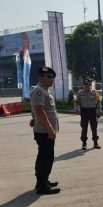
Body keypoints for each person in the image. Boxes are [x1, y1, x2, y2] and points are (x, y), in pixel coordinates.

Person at [30, 66, 60, 195]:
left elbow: (37, 109)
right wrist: (50, 130)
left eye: (52, 77)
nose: (51, 79)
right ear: (40, 77)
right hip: (44, 131)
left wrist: (33, 119)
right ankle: (43, 186)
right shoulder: (39, 91)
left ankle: (42, 181)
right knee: (46, 157)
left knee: (43, 156)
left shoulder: (45, 90)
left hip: (43, 130)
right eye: (48, 76)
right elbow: (39, 110)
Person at [75, 77, 102, 150]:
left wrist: (99, 111)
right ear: (83, 85)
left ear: (90, 85)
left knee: (94, 128)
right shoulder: (80, 92)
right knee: (84, 128)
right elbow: (77, 102)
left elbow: (99, 102)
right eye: (85, 84)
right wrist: (76, 109)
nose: (87, 86)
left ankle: (95, 143)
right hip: (84, 111)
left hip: (93, 111)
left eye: (88, 84)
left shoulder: (94, 92)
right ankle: (84, 143)